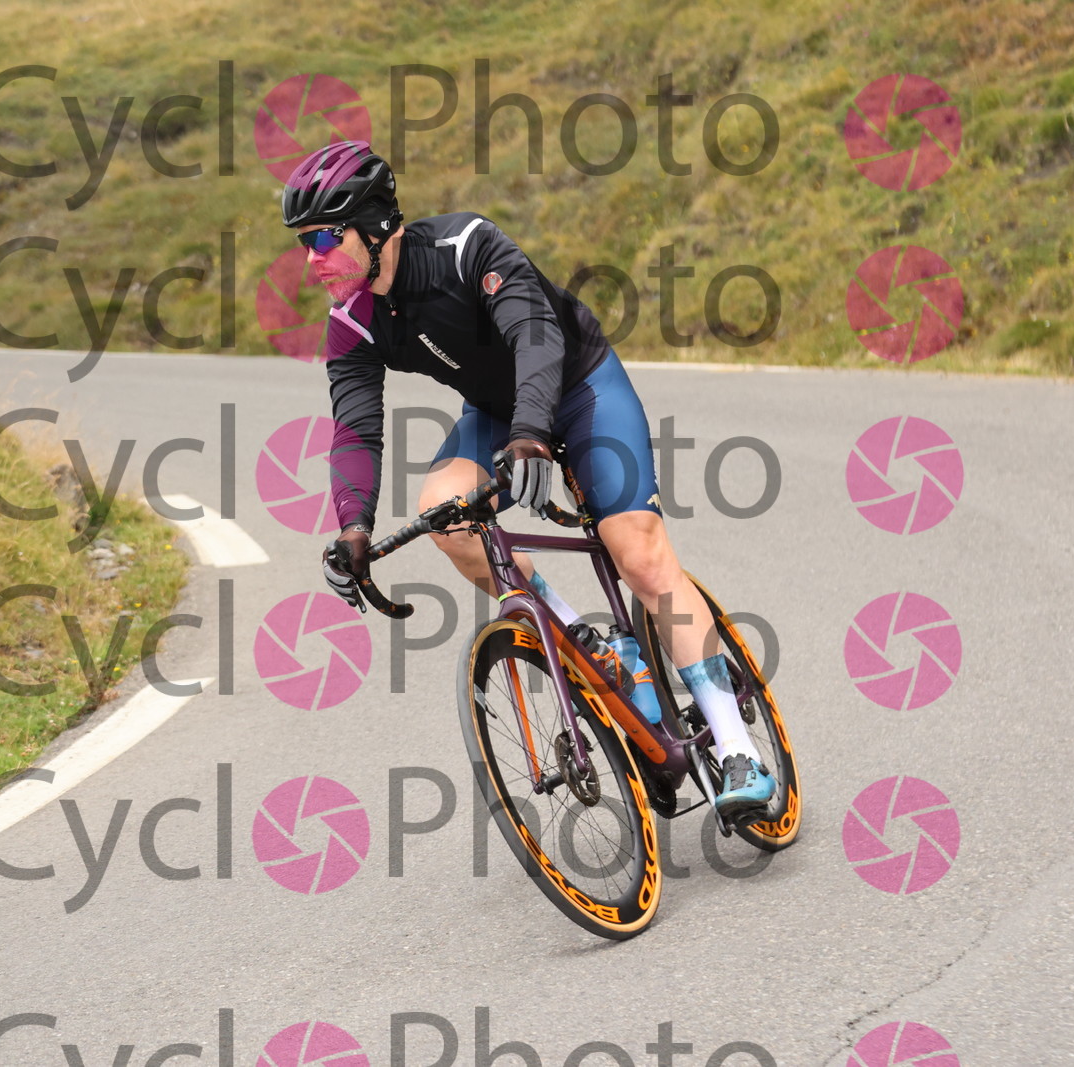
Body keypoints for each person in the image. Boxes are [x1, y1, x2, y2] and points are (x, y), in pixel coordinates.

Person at [281, 140, 773, 815]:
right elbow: (356, 430)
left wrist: (533, 434)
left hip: (580, 388)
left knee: (638, 554)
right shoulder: (351, 323)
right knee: (445, 514)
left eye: (325, 237)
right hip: (497, 416)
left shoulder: (466, 247)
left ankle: (738, 746)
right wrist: (353, 527)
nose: (311, 258)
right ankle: (586, 642)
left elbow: (537, 334)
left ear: (375, 227)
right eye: (303, 242)